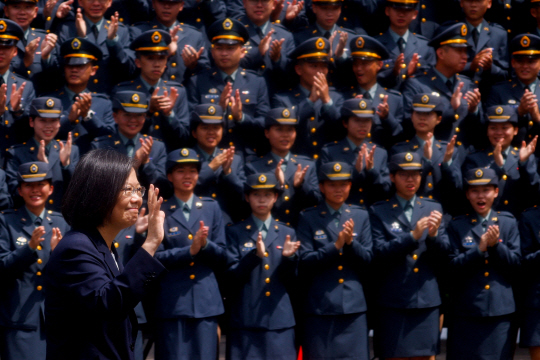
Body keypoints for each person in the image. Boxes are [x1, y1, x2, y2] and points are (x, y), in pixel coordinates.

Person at [44, 148, 166, 360]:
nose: (137, 199)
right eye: (128, 190)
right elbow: (109, 304)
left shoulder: (103, 246)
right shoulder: (76, 247)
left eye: (139, 190)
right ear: (98, 193)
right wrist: (152, 242)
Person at [369, 152, 450, 360]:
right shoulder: (380, 210)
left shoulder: (432, 207)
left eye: (415, 174)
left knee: (425, 357)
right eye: (404, 174)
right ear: (392, 177)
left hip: (425, 298)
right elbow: (379, 253)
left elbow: (445, 255)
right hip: (393, 300)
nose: (410, 179)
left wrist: (433, 237)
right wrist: (411, 237)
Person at [153, 147, 228, 360]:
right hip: (173, 303)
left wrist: (205, 246)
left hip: (206, 303)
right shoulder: (161, 211)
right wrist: (190, 250)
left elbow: (223, 256)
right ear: (169, 176)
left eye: (193, 171)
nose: (187, 176)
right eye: (180, 171)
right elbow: (155, 258)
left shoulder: (211, 208)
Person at [296, 161, 372, 360]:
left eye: (343, 184)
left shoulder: (360, 215)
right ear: (321, 187)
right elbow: (304, 261)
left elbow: (368, 260)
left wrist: (350, 244)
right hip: (320, 307)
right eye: (332, 184)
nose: (338, 189)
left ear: (350, 186)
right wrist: (335, 246)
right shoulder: (308, 217)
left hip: (353, 308)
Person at [446, 167, 521, 360]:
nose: (481, 196)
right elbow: (452, 267)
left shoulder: (508, 223)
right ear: (467, 194)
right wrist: (478, 250)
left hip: (499, 311)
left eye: (486, 190)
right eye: (475, 191)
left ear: (496, 192)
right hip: (466, 311)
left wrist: (496, 246)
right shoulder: (457, 225)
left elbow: (516, 265)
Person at [225, 172, 299, 360]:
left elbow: (293, 280)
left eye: (267, 195)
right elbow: (231, 276)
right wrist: (254, 256)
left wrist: (289, 259)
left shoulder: (286, 232)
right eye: (257, 194)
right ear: (248, 197)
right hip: (246, 319)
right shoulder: (235, 232)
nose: (262, 200)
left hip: (279, 320)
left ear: (275, 197)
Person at [0, 161, 68, 360]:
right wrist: (28, 248)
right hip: (20, 321)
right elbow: (3, 267)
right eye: (29, 185)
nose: (35, 190)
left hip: (57, 320)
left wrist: (58, 255)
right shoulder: (6, 221)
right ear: (20, 190)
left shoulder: (61, 222)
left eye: (41, 184)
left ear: (51, 189)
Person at [186, 18, 270, 161]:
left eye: (230, 48)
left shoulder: (256, 81)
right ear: (212, 52)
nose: (224, 53)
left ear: (243, 51)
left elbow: (265, 124)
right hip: (208, 158)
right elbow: (189, 124)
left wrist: (241, 118)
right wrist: (218, 110)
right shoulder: (198, 81)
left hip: (246, 157)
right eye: (219, 48)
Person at [401, 22, 482, 146]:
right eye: (459, 51)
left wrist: (474, 110)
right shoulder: (417, 84)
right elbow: (408, 124)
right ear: (441, 53)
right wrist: (451, 109)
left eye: (465, 51)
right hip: (432, 155)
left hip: (463, 158)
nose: (465, 57)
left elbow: (480, 128)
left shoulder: (467, 84)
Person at [114, 29, 190, 152]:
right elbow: (117, 133)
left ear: (166, 62)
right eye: (150, 58)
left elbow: (184, 138)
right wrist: (149, 111)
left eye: (161, 58)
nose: (156, 64)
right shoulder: (124, 91)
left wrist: (169, 115)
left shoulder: (177, 91)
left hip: (167, 163)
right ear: (138, 62)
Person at [245, 107, 321, 226]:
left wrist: (300, 186)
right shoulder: (254, 167)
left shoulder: (307, 165)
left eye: (290, 130)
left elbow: (316, 202)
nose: (285, 135)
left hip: (301, 231)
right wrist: (279, 185)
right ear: (267, 133)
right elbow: (251, 205)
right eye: (279, 129)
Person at [272, 37, 344, 159]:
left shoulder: (336, 98)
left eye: (323, 66)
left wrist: (326, 101)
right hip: (298, 164)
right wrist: (309, 101)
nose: (320, 72)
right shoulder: (282, 99)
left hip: (330, 165)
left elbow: (341, 130)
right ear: (299, 69)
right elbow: (283, 129)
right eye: (314, 66)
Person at [462, 105, 540, 216]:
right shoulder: (474, 159)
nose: (499, 132)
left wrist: (523, 162)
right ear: (487, 131)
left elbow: (534, 190)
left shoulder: (525, 156)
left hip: (517, 221)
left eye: (504, 128)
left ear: (515, 130)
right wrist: (497, 167)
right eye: (493, 128)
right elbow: (468, 193)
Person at [5, 97, 79, 212]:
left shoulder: (71, 150)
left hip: (62, 221)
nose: (48, 126)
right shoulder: (16, 153)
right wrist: (41, 170)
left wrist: (66, 166)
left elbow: (79, 192)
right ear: (31, 122)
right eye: (43, 120)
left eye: (53, 120)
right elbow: (14, 195)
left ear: (59, 122)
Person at [46, 37, 115, 155]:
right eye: (70, 65)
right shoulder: (50, 100)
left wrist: (88, 116)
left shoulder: (103, 103)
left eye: (80, 66)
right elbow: (41, 132)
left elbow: (110, 137)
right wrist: (68, 120)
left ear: (93, 70)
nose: (74, 70)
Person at [319, 97, 391, 207]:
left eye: (367, 120)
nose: (362, 125)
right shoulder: (330, 151)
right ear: (345, 123)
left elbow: (386, 191)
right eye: (357, 120)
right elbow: (324, 191)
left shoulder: (379, 153)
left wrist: (371, 171)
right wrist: (355, 172)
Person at [92, 91, 168, 193]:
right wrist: (133, 165)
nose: (133, 120)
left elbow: (163, 189)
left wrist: (146, 163)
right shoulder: (100, 146)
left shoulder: (157, 147)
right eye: (127, 115)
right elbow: (97, 185)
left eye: (139, 115)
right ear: (115, 117)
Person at [343, 35, 405, 149]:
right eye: (356, 64)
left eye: (364, 63)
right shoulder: (345, 97)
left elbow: (400, 135)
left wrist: (387, 117)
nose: (359, 69)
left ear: (379, 65)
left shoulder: (394, 99)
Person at [190, 104, 246, 224]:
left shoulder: (234, 159)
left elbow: (243, 196)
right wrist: (210, 168)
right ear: (194, 132)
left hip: (226, 224)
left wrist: (228, 173)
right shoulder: (188, 159)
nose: (211, 132)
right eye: (205, 128)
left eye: (216, 128)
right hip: (195, 221)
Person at [131, 0, 210, 84]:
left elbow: (206, 74)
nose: (167, 7)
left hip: (183, 94)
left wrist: (193, 66)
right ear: (153, 4)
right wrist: (166, 52)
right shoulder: (139, 31)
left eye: (173, 3)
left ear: (181, 5)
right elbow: (130, 69)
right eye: (162, 2)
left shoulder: (194, 35)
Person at [486, 34, 540, 148]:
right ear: (513, 63)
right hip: (510, 157)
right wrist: (518, 113)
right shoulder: (499, 91)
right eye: (520, 61)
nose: (525, 66)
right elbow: (489, 126)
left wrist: (537, 118)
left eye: (531, 62)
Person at [375, 0, 436, 90]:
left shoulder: (425, 46)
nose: (401, 14)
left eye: (407, 10)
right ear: (387, 11)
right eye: (396, 9)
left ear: (415, 14)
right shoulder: (376, 45)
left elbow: (431, 81)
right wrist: (394, 72)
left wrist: (411, 74)